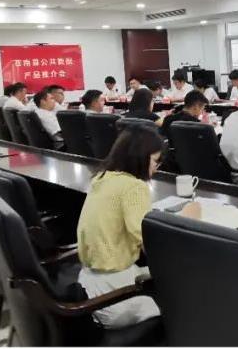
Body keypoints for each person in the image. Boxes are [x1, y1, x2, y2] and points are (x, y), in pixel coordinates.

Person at [76, 125, 164, 328]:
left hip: (91, 284)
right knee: (179, 292)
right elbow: (148, 241)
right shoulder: (134, 186)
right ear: (140, 158)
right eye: (155, 161)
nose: (156, 168)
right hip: (116, 297)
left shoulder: (102, 177)